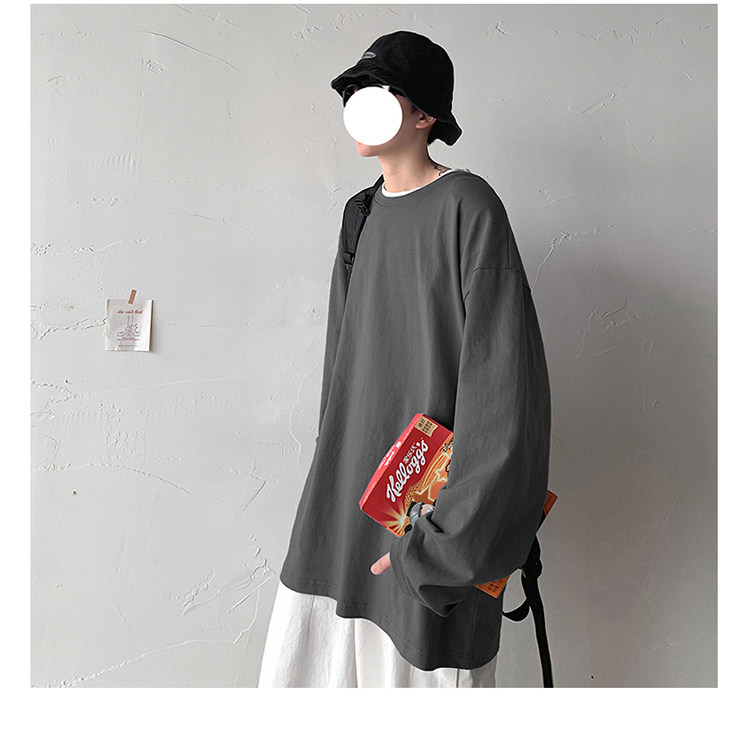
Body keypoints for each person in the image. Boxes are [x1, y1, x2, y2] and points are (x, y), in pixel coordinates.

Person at [258, 30, 552, 688]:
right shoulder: (359, 215)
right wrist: (331, 501)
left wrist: (443, 547)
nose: (357, 105)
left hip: (425, 529)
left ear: (424, 115)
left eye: (378, 91)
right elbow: (341, 378)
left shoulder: (469, 207)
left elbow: (507, 398)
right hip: (342, 516)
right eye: (354, 92)